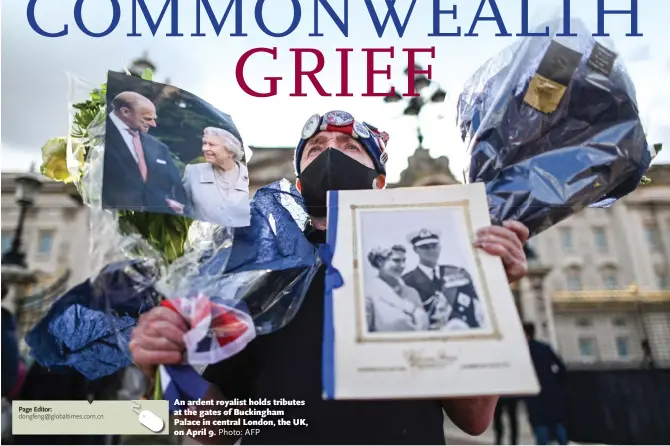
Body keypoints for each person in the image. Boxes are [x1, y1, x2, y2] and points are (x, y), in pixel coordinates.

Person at [130, 110, 531, 445]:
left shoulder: (420, 264)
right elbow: (218, 430)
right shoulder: (260, 274)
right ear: (300, 183)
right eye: (317, 148)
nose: (331, 154)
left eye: (351, 148)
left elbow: (474, 418)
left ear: (379, 184)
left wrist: (488, 293)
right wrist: (170, 369)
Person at [102, 91, 188, 215]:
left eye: (154, 119)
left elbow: (174, 187)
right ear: (125, 112)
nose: (153, 124)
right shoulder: (97, 134)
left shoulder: (159, 147)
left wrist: (170, 203)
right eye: (148, 118)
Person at [403, 228, 484, 330]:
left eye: (434, 246)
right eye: (425, 247)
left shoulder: (458, 272)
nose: (431, 250)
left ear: (440, 247)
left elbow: (478, 303)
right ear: (415, 250)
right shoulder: (407, 281)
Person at [182, 127, 251, 227]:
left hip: (245, 241)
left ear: (230, 151)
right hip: (203, 240)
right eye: (204, 143)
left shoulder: (251, 175)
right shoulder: (193, 172)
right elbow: (180, 208)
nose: (204, 148)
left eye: (211, 145)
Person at [523, 322, 569, 445]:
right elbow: (561, 368)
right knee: (557, 422)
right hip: (551, 390)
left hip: (534, 393)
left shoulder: (522, 351)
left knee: (539, 425)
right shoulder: (544, 347)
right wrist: (556, 382)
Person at [365, 245, 429, 332]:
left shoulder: (412, 292)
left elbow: (424, 326)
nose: (402, 265)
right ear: (380, 261)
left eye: (404, 260)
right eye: (396, 260)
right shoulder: (369, 292)